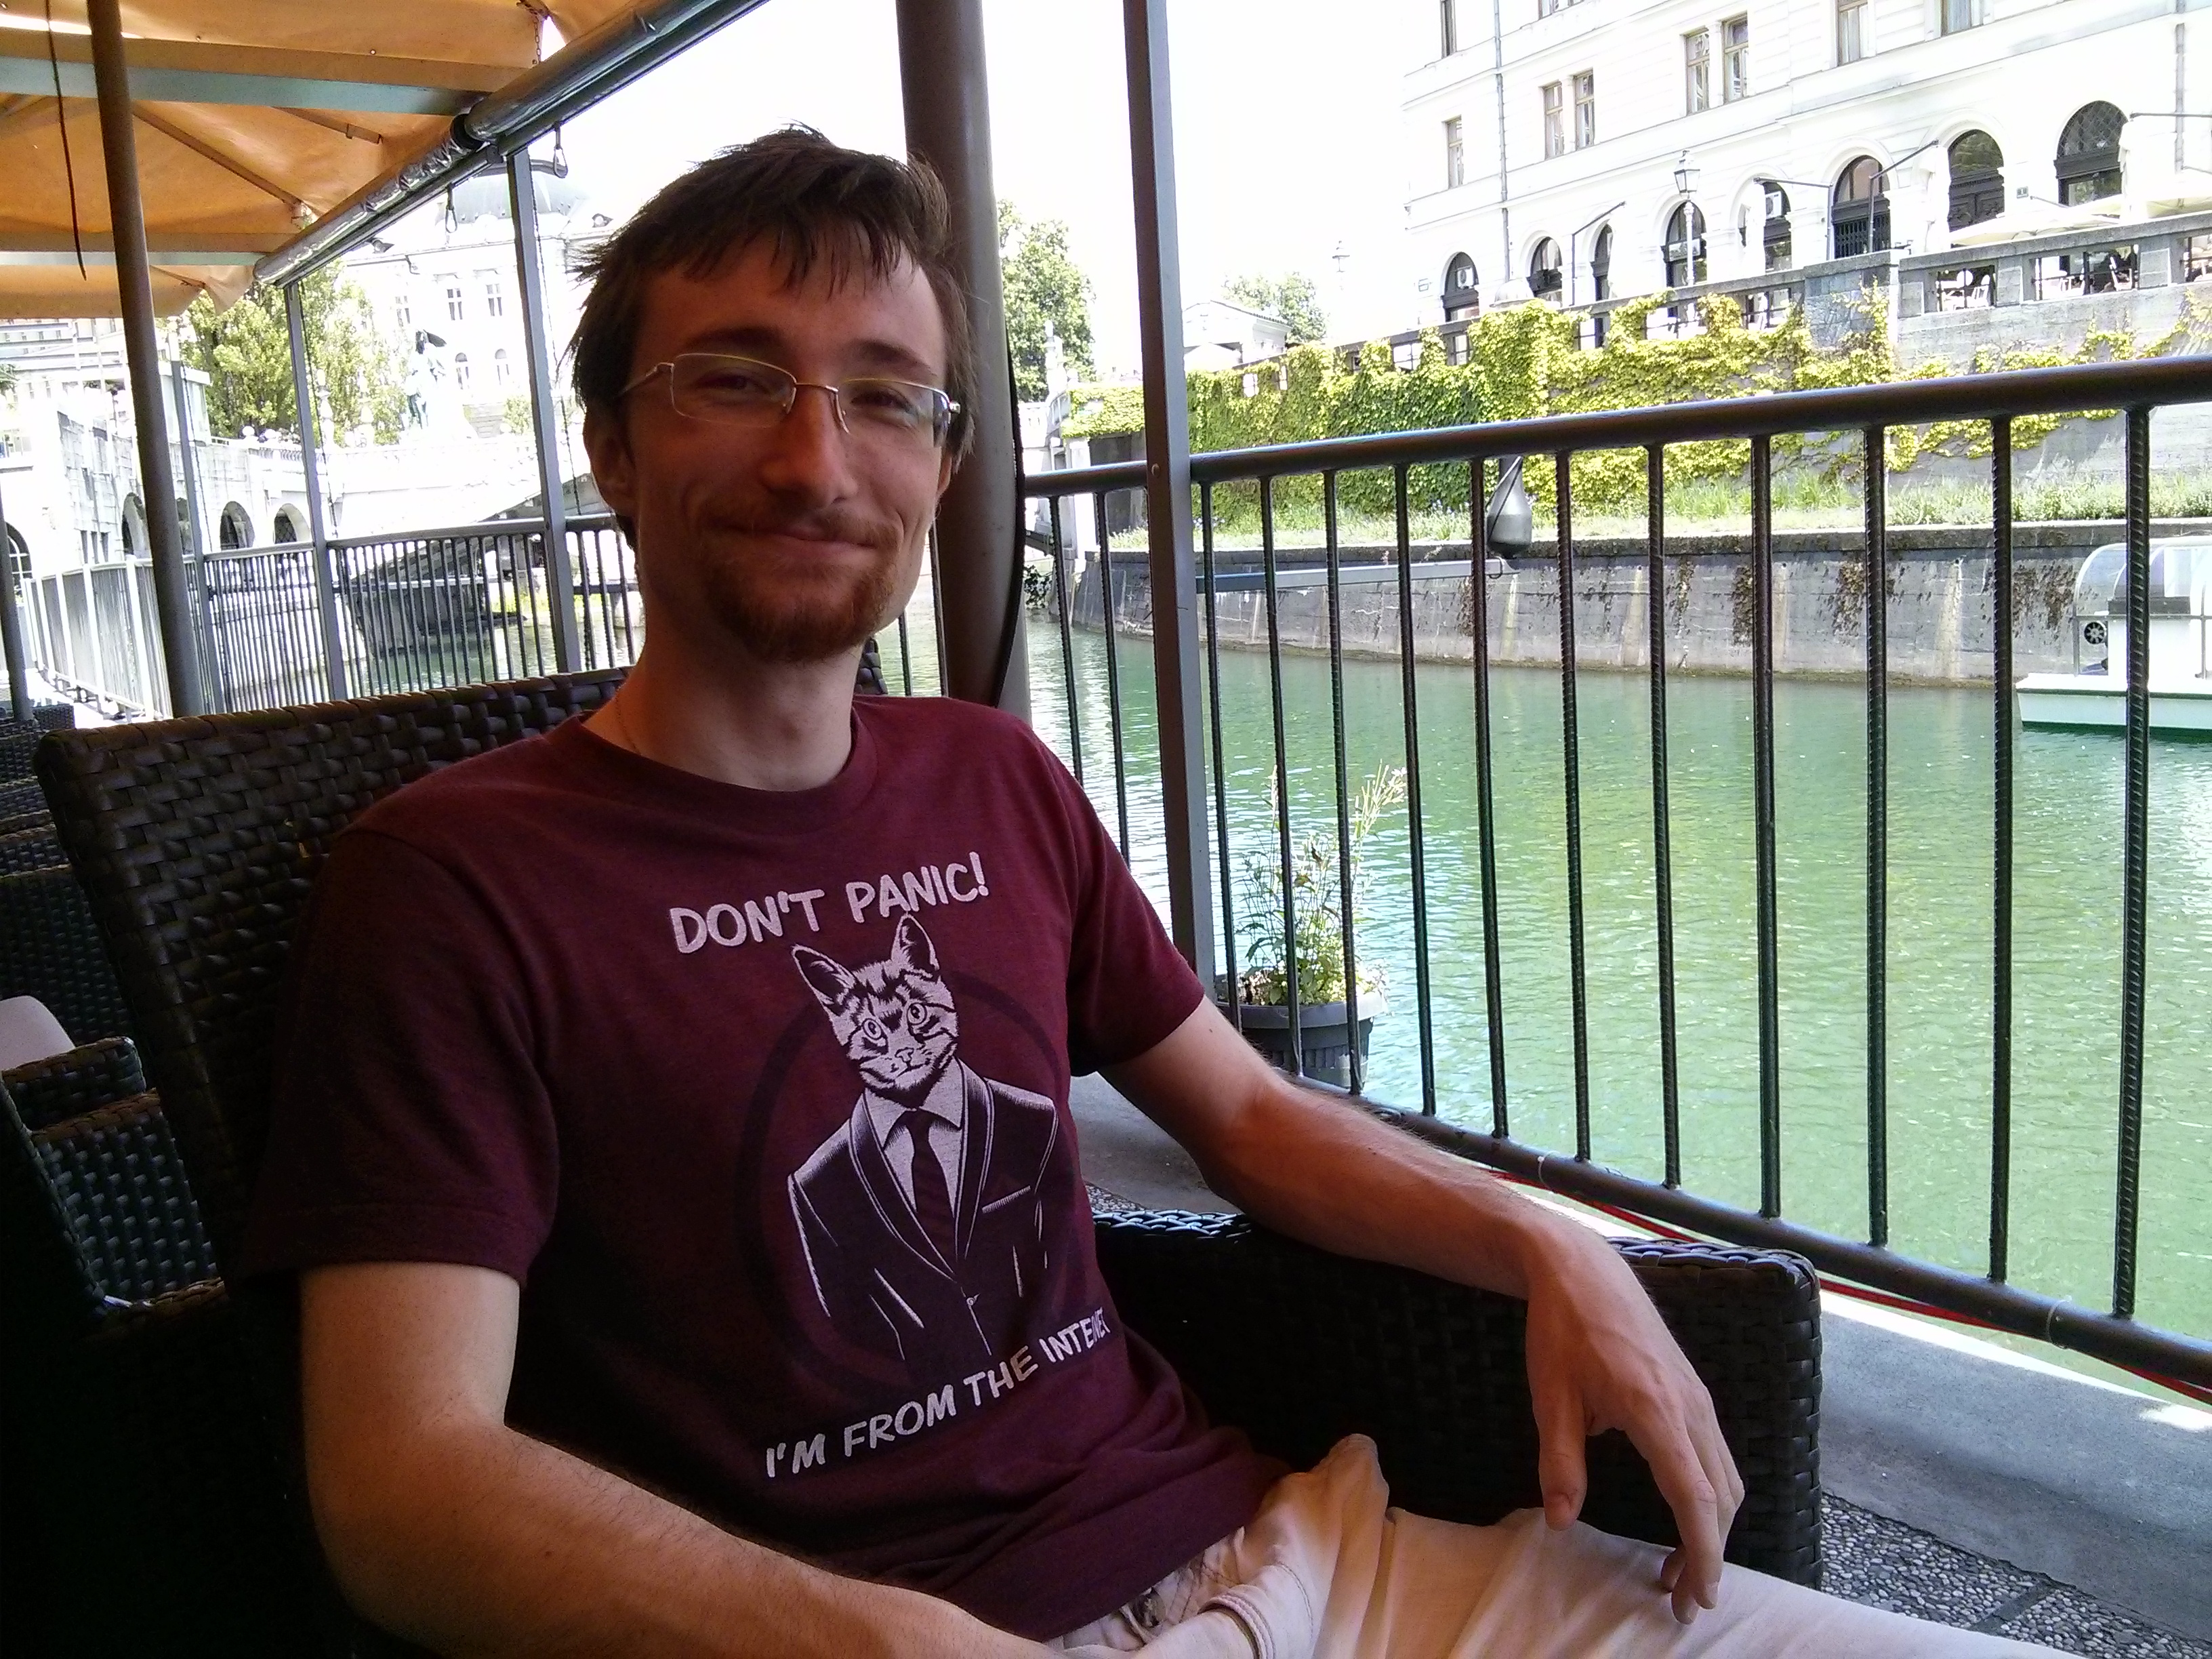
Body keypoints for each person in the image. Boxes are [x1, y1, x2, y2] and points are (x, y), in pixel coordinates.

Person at [239, 129, 2052, 1658]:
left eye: (883, 397)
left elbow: (1249, 1118)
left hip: (1307, 1561)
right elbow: (402, 1485)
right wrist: (891, 1643)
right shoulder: (456, 882)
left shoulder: (992, 777)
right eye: (734, 377)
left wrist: (1547, 1242)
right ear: (614, 449)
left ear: (943, 465)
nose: (815, 459)